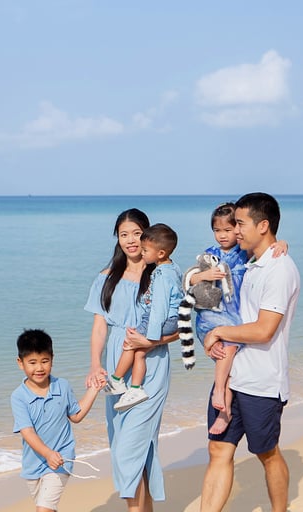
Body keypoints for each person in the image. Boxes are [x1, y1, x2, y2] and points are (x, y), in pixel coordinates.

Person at [199, 193, 300, 512]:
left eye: (241, 224)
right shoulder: (250, 262)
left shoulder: (279, 269)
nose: (235, 230)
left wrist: (218, 332)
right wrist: (208, 333)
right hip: (232, 378)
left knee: (267, 453)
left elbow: (264, 329)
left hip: (262, 382)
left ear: (264, 226)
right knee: (218, 451)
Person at [84, 208, 179, 512]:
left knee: (130, 447)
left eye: (136, 233)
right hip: (116, 364)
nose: (130, 240)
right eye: (123, 234)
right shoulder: (105, 277)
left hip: (151, 364)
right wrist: (95, 364)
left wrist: (154, 341)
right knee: (127, 442)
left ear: (149, 236)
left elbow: (182, 323)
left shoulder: (161, 273)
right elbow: (100, 326)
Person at [187, 203, 287, 435]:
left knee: (229, 354)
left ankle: (222, 402)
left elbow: (267, 248)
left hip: (232, 318)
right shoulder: (209, 254)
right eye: (217, 230)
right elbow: (190, 279)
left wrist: (281, 243)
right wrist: (204, 275)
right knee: (226, 352)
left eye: (229, 229)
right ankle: (220, 393)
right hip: (212, 315)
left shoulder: (244, 252)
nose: (223, 235)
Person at [11, 329, 103, 512]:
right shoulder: (18, 397)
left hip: (61, 458)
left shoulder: (62, 386)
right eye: (32, 363)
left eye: (45, 361)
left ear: (52, 359)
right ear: (20, 363)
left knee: (43, 510)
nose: (39, 368)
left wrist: (93, 390)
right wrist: (46, 454)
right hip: (33, 464)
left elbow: (75, 416)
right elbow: (27, 432)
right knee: (47, 509)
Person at [105, 223, 183, 412]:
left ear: (161, 253)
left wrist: (150, 337)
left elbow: (159, 308)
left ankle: (116, 380)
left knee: (131, 343)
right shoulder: (172, 268)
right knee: (139, 353)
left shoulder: (162, 275)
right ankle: (136, 388)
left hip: (163, 321)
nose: (142, 253)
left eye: (146, 250)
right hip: (171, 319)